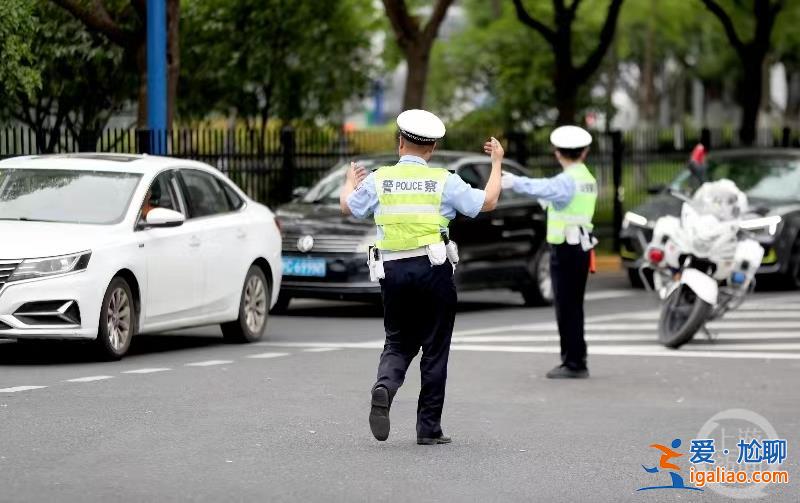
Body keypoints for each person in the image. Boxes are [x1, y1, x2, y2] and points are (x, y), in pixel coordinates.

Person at [340, 109, 504, 444]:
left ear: (400, 143)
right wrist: (497, 162)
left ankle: (385, 385)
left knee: (397, 340)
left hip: (392, 272)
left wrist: (349, 182)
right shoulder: (444, 180)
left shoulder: (379, 179)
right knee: (435, 347)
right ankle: (428, 429)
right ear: (431, 149)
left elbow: (348, 207)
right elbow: (487, 202)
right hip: (433, 269)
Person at [501, 125, 597, 379]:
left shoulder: (566, 180)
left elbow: (542, 187)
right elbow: (556, 198)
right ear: (585, 152)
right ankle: (577, 358)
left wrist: (514, 182)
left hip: (566, 249)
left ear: (557, 153)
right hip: (580, 247)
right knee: (574, 306)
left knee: (566, 307)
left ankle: (574, 363)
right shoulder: (586, 178)